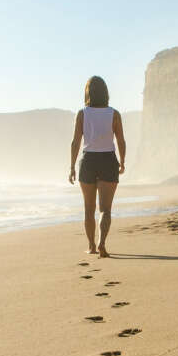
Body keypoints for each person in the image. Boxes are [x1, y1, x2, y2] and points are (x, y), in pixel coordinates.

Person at [69, 76, 126, 257]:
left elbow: (75, 142)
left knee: (88, 208)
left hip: (88, 161)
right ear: (106, 93)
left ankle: (92, 246)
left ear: (88, 93)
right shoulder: (114, 114)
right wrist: (122, 162)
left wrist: (71, 167)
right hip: (108, 160)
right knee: (105, 209)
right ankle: (102, 244)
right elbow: (121, 141)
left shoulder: (82, 114)